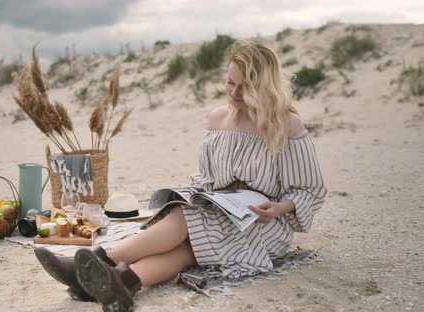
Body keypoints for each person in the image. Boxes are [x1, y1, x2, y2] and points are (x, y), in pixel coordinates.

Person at [34, 40, 327, 312]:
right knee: (187, 244)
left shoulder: (286, 125)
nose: (235, 94)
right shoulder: (218, 119)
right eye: (230, 83)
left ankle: (99, 262)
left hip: (264, 227)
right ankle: (123, 282)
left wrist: (279, 208)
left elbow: (310, 190)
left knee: (187, 221)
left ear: (264, 87)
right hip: (221, 214)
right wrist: (193, 197)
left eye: (245, 87)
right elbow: (207, 180)